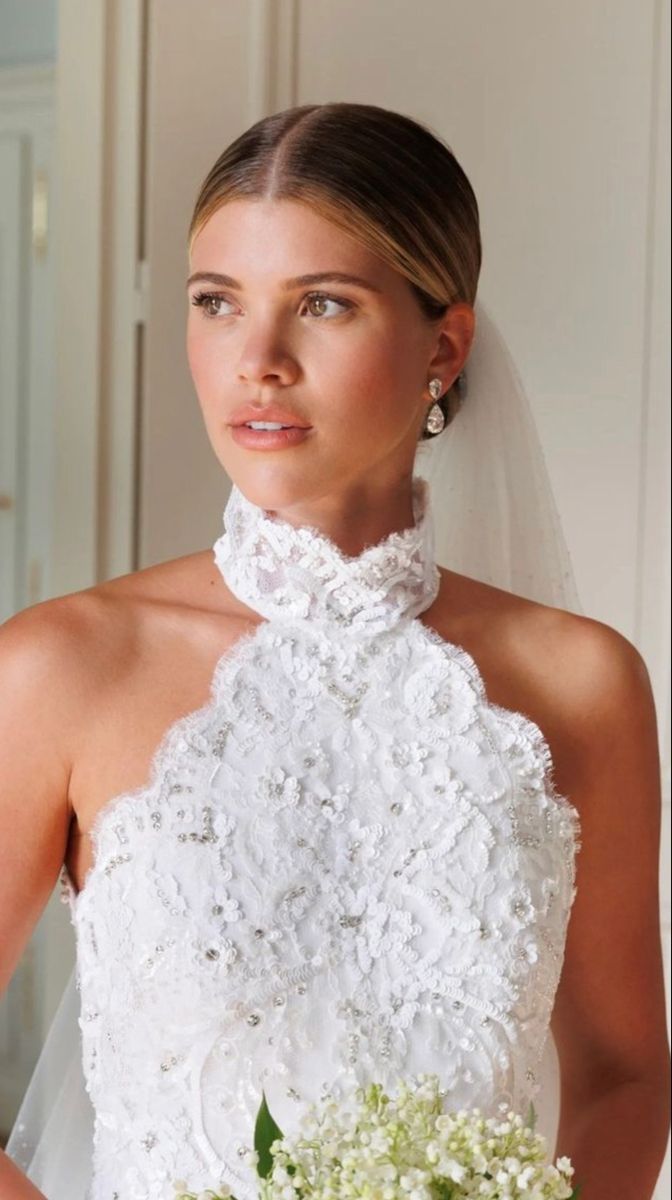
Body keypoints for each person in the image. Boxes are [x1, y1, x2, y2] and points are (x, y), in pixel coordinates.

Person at [1, 102, 669, 1200]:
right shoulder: (60, 666)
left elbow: (625, 1072)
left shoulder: (583, 682)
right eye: (217, 304)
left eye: (321, 305)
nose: (256, 361)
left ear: (442, 347)